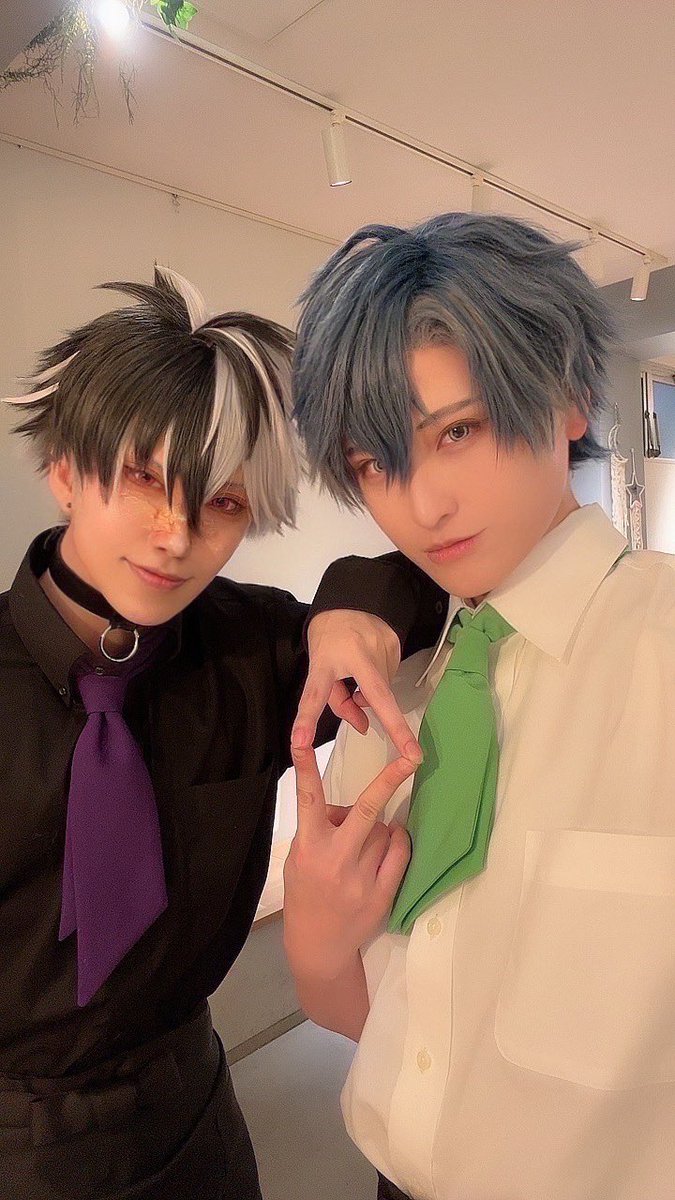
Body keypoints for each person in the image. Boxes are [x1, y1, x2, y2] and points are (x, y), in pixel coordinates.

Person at [0, 266, 446, 1200]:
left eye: (223, 503)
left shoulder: (249, 647)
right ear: (65, 471)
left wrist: (348, 612)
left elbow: (415, 581)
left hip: (194, 1108)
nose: (177, 534)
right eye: (144, 478)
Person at [284, 213, 675, 1200]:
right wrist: (316, 941)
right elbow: (382, 1024)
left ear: (570, 398)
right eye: (375, 465)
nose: (423, 507)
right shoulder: (388, 694)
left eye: (457, 432)